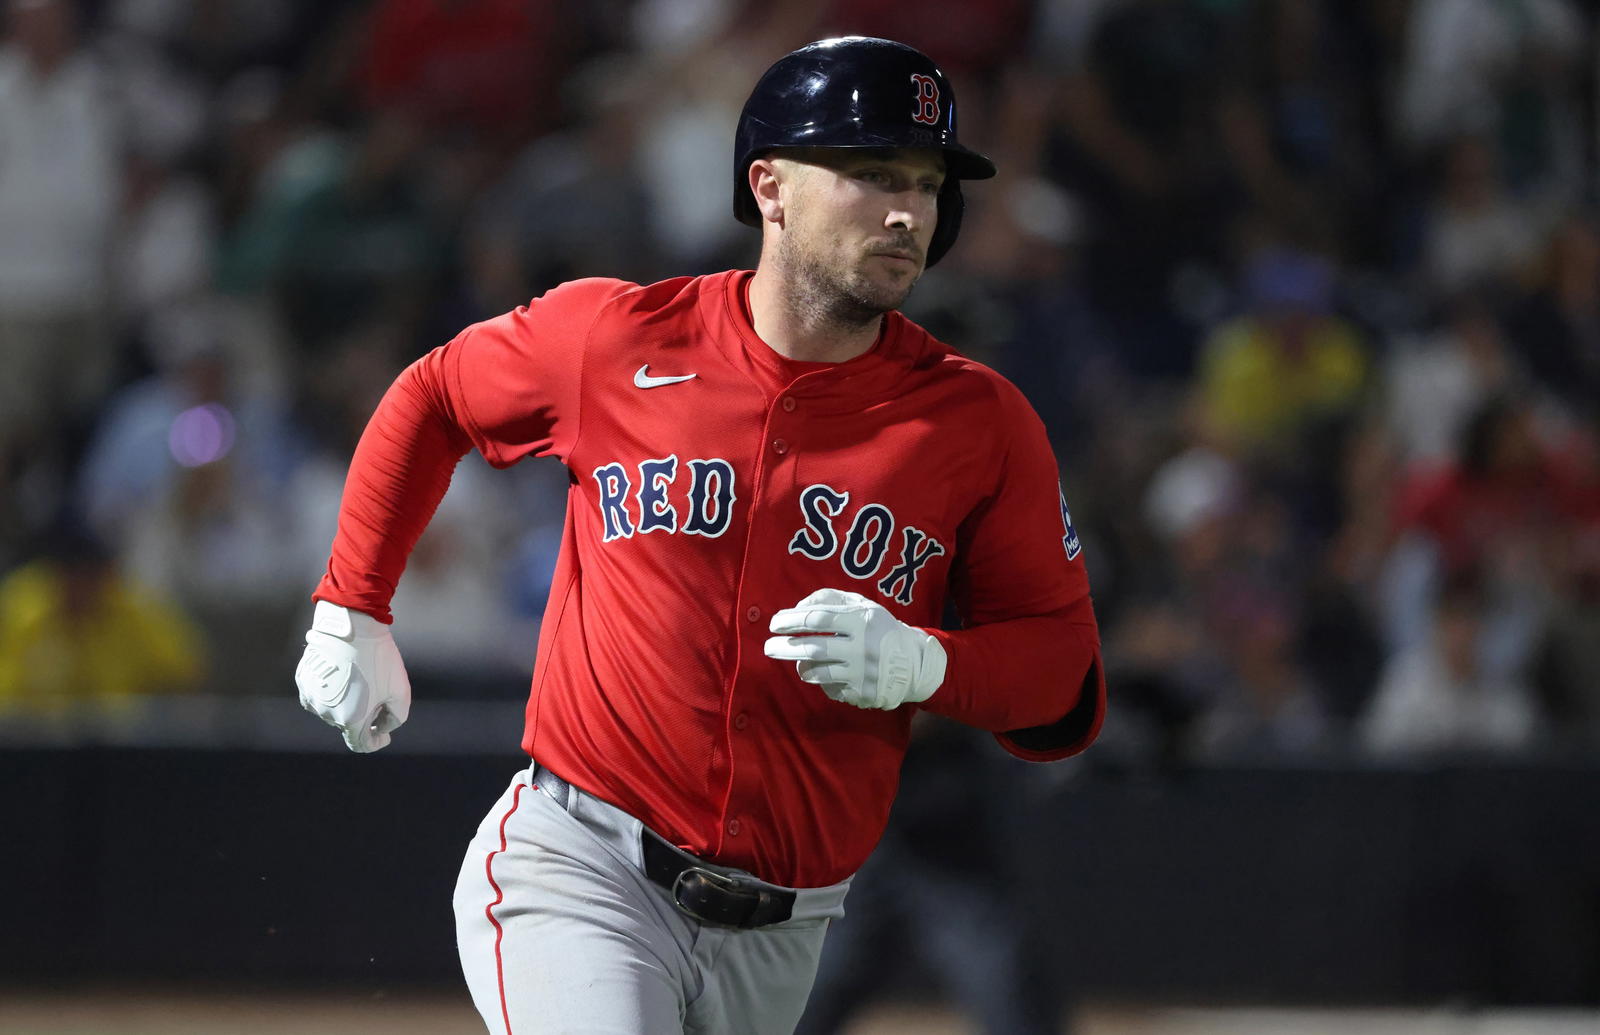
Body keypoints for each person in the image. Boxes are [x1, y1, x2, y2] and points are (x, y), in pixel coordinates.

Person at [294, 36, 1105, 1035]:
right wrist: (350, 605)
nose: (907, 210)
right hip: (580, 866)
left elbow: (1061, 675)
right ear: (769, 184)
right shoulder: (618, 338)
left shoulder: (979, 423)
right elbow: (433, 397)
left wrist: (925, 665)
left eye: (927, 183)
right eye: (869, 173)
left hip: (786, 929)